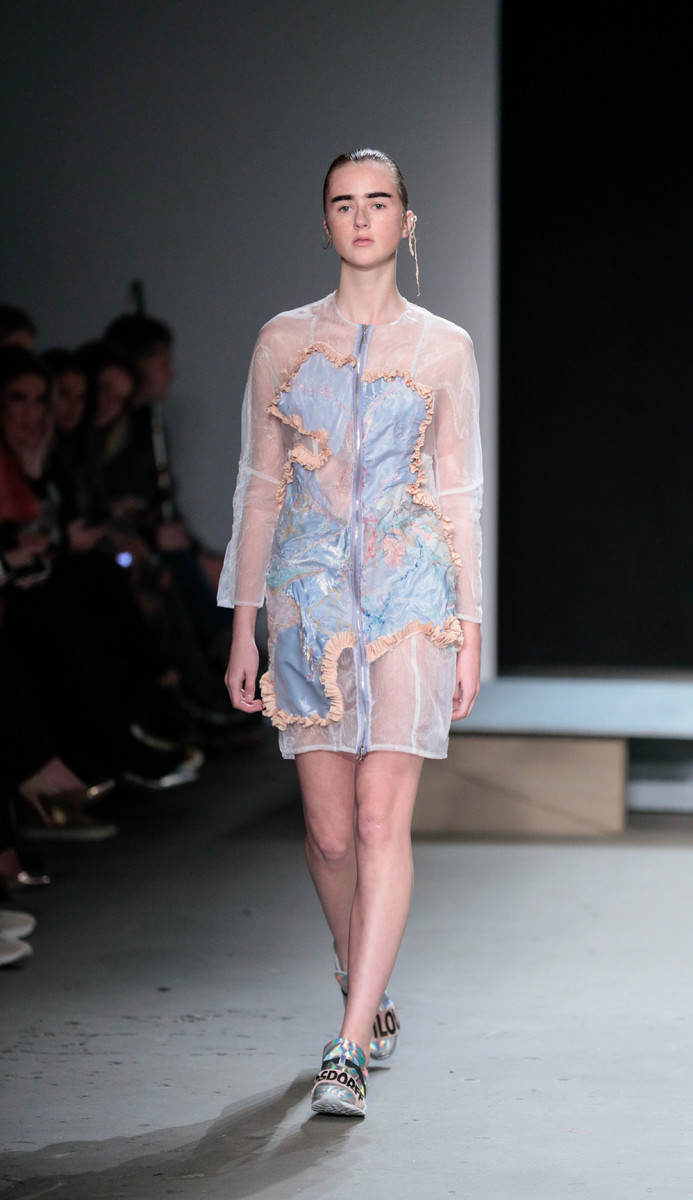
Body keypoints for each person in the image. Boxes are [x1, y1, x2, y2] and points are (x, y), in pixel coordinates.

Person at [219, 148, 483, 1118]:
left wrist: (470, 625)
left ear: (406, 222)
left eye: (378, 203)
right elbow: (259, 488)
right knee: (330, 837)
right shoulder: (282, 341)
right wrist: (242, 627)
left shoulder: (444, 347)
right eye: (343, 203)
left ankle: (348, 1046)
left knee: (378, 823)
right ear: (324, 222)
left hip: (411, 600)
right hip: (306, 603)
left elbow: (459, 496)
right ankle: (356, 973)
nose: (361, 217)